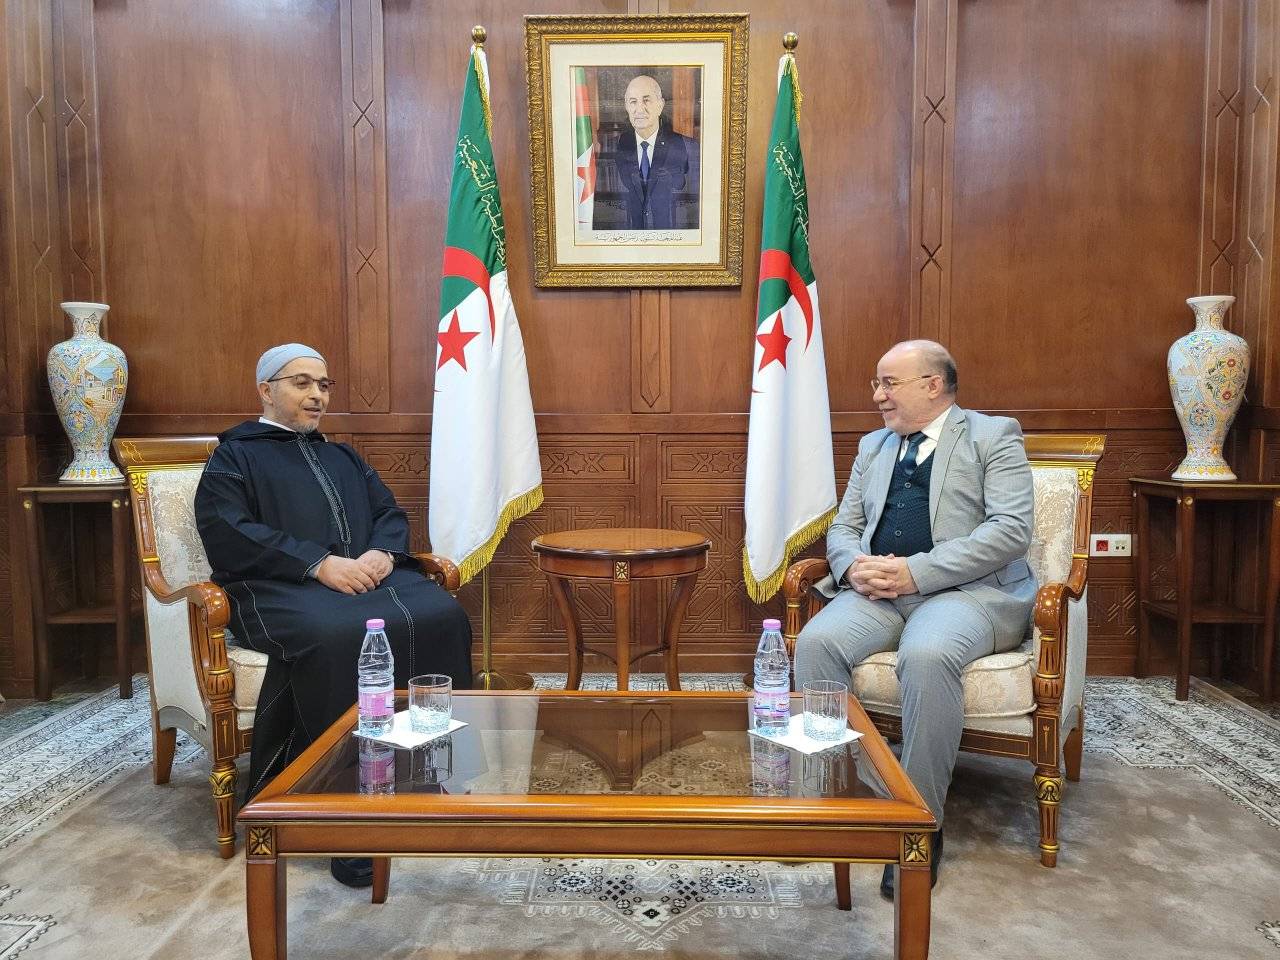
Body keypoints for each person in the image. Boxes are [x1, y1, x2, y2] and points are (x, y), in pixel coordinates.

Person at [195, 343, 473, 888]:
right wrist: (319, 565)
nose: (317, 395)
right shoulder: (234, 457)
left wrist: (383, 554)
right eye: (301, 383)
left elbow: (388, 512)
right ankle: (347, 816)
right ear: (265, 390)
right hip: (278, 586)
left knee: (444, 614)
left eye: (323, 385)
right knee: (338, 635)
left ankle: (428, 782)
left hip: (364, 578)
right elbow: (230, 531)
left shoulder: (343, 457)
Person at [793, 339, 1036, 899]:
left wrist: (916, 573)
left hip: (967, 593)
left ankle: (919, 823)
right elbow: (845, 526)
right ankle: (843, 795)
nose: (878, 396)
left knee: (925, 654)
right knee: (817, 643)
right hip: (879, 591)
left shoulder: (993, 436)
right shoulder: (873, 445)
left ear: (933, 384)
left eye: (889, 383)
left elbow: (1009, 531)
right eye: (876, 384)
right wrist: (853, 567)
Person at [592, 74, 699, 231]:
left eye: (646, 100)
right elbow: (604, 209)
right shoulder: (610, 149)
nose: (639, 109)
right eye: (633, 102)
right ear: (626, 106)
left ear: (660, 105)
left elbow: (695, 209)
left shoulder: (688, 148)